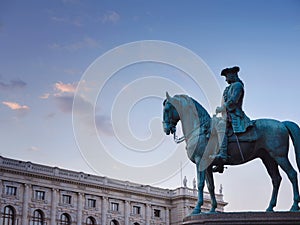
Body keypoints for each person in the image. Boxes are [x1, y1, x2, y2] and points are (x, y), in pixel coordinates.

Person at [213, 66, 253, 172]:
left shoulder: (238, 86)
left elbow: (233, 101)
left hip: (235, 115)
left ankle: (223, 155)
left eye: (227, 77)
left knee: (221, 127)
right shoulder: (228, 88)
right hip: (227, 115)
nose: (226, 79)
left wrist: (222, 108)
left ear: (232, 75)